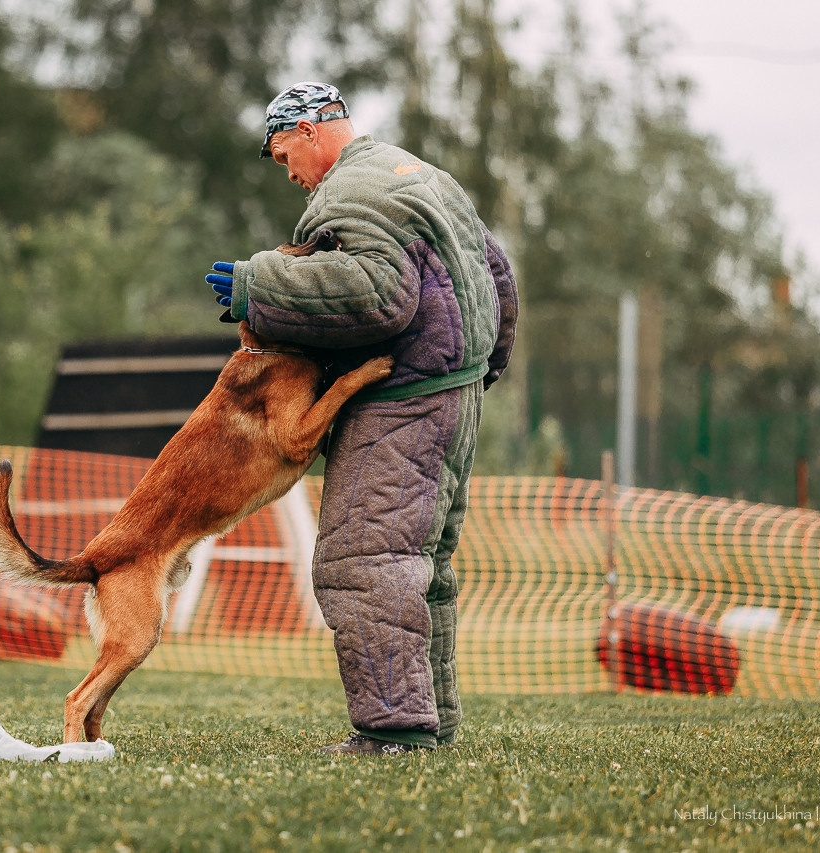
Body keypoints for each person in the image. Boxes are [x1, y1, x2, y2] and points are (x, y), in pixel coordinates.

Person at [206, 81, 518, 755]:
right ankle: (430, 719)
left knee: (365, 556)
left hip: (404, 399)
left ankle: (394, 729)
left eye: (283, 151)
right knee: (421, 563)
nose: (286, 171)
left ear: (314, 131)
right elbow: (497, 272)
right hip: (452, 394)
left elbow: (379, 295)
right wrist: (483, 369)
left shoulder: (351, 194)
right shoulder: (419, 174)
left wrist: (258, 286)